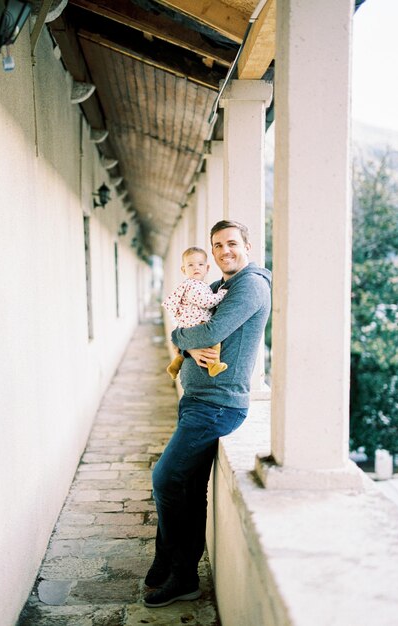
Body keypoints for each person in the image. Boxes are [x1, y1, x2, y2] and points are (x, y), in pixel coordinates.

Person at [144, 220, 272, 608]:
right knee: (189, 489)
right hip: (198, 400)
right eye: (217, 246)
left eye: (232, 243)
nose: (223, 252)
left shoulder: (250, 285)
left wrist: (183, 341)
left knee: (165, 479)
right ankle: (179, 571)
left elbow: (206, 331)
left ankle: (175, 565)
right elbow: (185, 323)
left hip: (217, 405)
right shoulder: (219, 287)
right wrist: (184, 341)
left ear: (247, 245)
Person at [162, 246, 228, 379]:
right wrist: (221, 294)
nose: (196, 268)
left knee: (184, 352)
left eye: (200, 264)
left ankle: (175, 366)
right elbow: (206, 302)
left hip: (189, 323)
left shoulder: (197, 284)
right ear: (183, 269)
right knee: (215, 340)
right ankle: (214, 366)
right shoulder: (193, 285)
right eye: (190, 265)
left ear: (207, 268)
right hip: (197, 322)